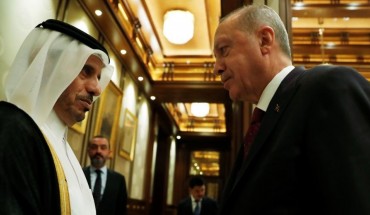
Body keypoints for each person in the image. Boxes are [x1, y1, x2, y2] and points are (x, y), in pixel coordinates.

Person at [213, 5, 370, 215]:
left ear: (264, 40)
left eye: (223, 50)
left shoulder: (327, 87)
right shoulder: (260, 124)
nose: (216, 68)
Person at [0, 19, 113, 214]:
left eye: (98, 77)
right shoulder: (12, 128)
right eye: (86, 71)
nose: (96, 89)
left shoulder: (62, 146)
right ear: (53, 69)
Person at [83, 135, 128, 215]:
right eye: (94, 147)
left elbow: (121, 210)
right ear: (88, 151)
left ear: (109, 152)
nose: (98, 151)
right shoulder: (79, 174)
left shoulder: (119, 180)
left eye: (103, 148)